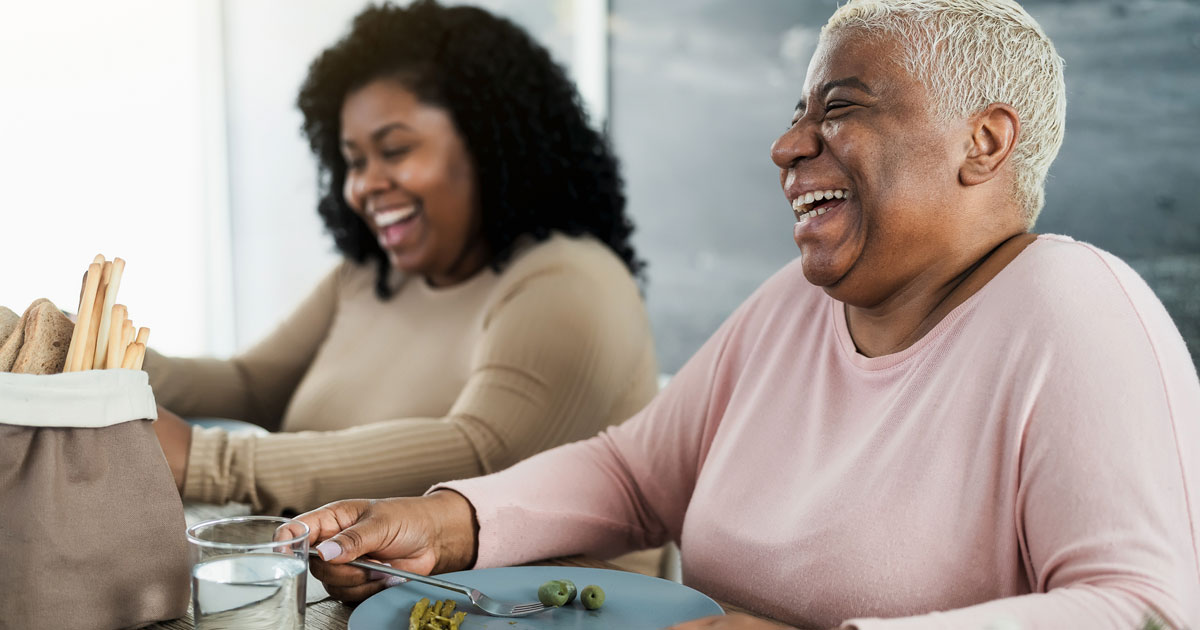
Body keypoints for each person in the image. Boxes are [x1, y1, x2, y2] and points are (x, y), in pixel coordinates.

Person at [289, 0, 1200, 628]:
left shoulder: (1075, 310)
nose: (787, 146)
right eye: (797, 113)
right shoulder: (794, 307)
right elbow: (636, 475)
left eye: (839, 108)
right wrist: (443, 526)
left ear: (984, 142)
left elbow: (1145, 606)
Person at [146, 1, 659, 518]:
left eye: (394, 151)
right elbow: (250, 386)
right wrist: (114, 363)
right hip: (347, 593)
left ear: (489, 144)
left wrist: (209, 461)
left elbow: (480, 453)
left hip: (528, 602)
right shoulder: (369, 277)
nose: (364, 185)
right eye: (354, 161)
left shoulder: (571, 281)